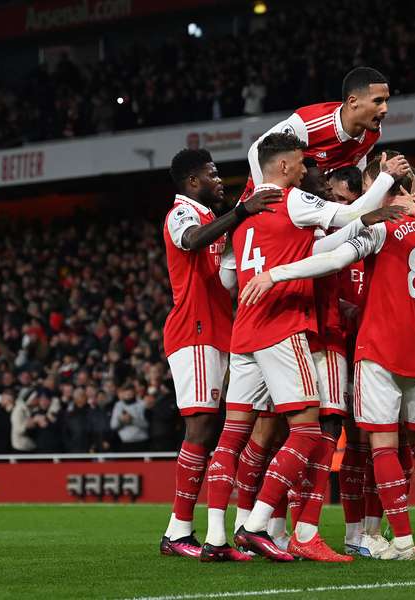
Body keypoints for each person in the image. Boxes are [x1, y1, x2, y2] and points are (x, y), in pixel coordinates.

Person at [239, 167, 415, 560]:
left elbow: (330, 259)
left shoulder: (383, 229)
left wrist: (276, 273)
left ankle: (403, 541)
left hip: (380, 351)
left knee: (384, 446)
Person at [202, 133, 408, 562]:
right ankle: (258, 524)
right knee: (309, 429)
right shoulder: (290, 199)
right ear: (281, 166)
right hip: (283, 326)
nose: (306, 170)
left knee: (231, 437)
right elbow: (350, 212)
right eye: (299, 163)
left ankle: (216, 536)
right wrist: (385, 179)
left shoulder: (244, 217)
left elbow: (230, 278)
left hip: (244, 330)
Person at [158, 148, 281, 559]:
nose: (218, 181)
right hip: (192, 330)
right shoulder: (182, 213)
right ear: (192, 182)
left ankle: (183, 531)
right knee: (201, 430)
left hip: (215, 331)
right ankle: (178, 532)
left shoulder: (213, 220)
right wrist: (243, 211)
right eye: (212, 175)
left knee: (210, 431)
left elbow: (225, 275)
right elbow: (191, 241)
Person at [246, 67, 388, 188]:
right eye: (378, 101)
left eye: (386, 101)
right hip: (271, 202)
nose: (385, 109)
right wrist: (267, 194)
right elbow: (256, 149)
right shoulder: (307, 124)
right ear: (353, 102)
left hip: (315, 206)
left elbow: (358, 159)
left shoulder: (373, 132)